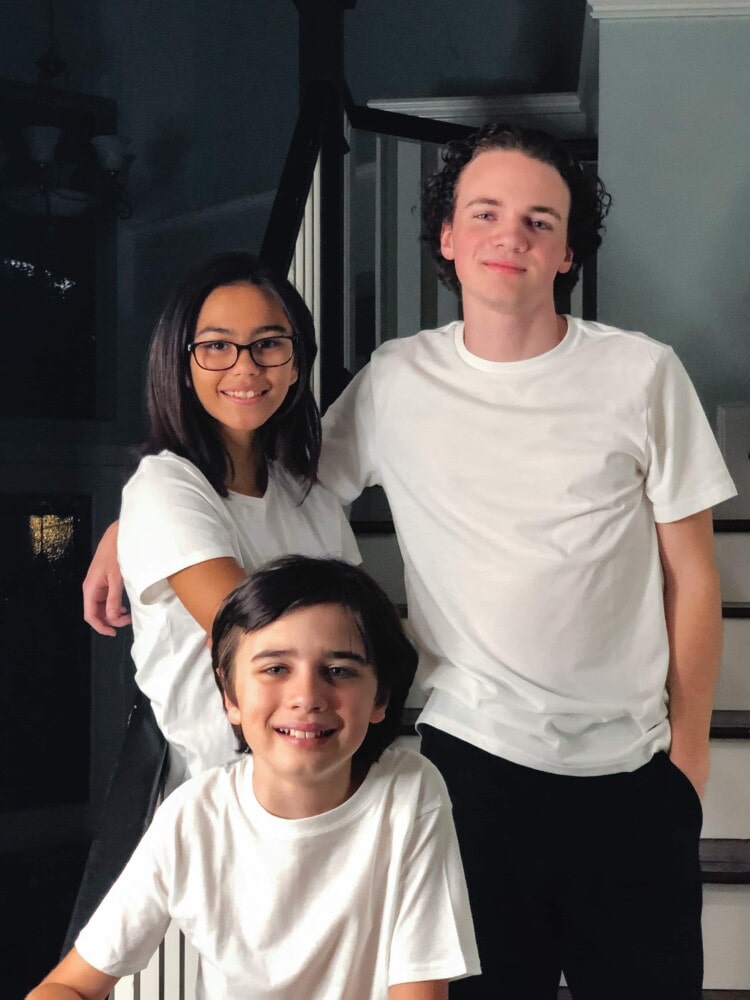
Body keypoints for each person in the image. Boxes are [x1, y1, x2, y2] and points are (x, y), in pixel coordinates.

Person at [83, 124, 737, 997]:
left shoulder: (644, 375)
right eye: (486, 213)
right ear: (447, 237)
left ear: (569, 249)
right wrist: (134, 518)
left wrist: (687, 764)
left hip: (629, 778)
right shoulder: (397, 381)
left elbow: (694, 577)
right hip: (468, 770)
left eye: (541, 221)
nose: (512, 236)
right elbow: (278, 464)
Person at [29, 556, 480, 999]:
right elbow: (68, 984)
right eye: (276, 669)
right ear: (230, 694)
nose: (306, 696)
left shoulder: (410, 790)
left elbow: (419, 991)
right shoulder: (192, 816)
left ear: (380, 697)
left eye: (339, 671)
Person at [107, 251, 359, 781]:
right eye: (217, 346)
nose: (245, 367)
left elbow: (360, 637)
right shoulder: (163, 486)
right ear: (182, 364)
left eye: (268, 344)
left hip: (323, 778)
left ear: (295, 363)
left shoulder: (310, 497)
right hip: (222, 797)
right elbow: (255, 639)